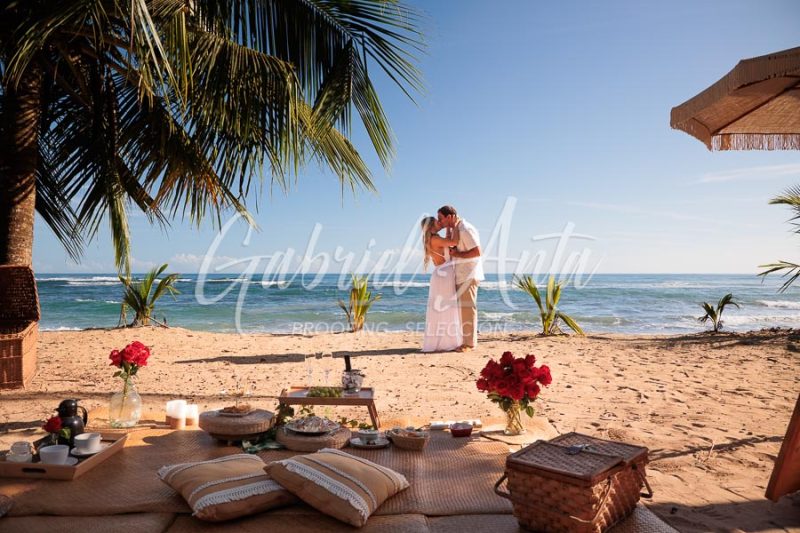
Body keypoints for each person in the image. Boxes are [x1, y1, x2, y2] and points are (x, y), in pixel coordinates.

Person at [437, 205, 483, 351]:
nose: (440, 222)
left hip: (469, 274)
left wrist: (458, 255)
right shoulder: (457, 228)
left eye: (441, 218)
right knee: (462, 309)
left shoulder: (465, 229)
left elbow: (477, 251)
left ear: (449, 217)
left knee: (468, 309)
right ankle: (464, 340)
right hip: (461, 274)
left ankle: (469, 344)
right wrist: (450, 228)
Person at [419, 216, 462, 352]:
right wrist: (456, 224)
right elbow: (454, 241)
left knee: (442, 308)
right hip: (444, 274)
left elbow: (448, 241)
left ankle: (442, 341)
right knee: (447, 308)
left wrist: (449, 227)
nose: (439, 222)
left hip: (440, 274)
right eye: (437, 222)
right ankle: (447, 342)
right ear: (432, 226)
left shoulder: (433, 238)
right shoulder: (436, 239)